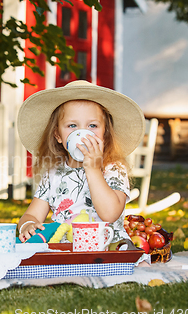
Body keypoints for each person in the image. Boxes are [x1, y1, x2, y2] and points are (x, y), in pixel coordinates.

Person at [16, 80, 145, 244]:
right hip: (64, 251)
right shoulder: (53, 173)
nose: (83, 134)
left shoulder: (113, 168)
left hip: (107, 249)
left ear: (104, 133)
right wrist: (28, 224)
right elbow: (32, 215)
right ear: (58, 135)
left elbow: (110, 214)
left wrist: (93, 169)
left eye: (92, 125)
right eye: (72, 126)